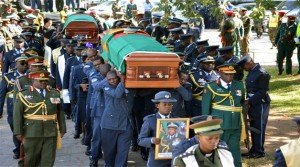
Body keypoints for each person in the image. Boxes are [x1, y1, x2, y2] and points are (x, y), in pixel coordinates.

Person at [13, 70, 66, 167]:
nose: (43, 83)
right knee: (30, 160)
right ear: (33, 80)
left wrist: (62, 129)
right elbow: (17, 114)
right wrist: (18, 131)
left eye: (45, 80)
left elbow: (60, 112)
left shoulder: (54, 93)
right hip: (32, 132)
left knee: (48, 160)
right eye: (40, 81)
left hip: (50, 132)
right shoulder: (24, 94)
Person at [202, 64, 246, 167]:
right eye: (227, 74)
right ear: (220, 73)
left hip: (235, 124)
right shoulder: (211, 87)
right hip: (219, 125)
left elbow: (242, 104)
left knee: (235, 151)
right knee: (216, 150)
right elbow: (205, 110)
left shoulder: (239, 85)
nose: (230, 77)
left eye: (232, 75)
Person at [237, 55, 271, 159]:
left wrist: (249, 101)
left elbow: (262, 91)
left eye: (244, 67)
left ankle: (259, 151)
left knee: (259, 127)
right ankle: (254, 149)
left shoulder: (262, 73)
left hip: (260, 103)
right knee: (253, 126)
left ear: (249, 63)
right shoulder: (252, 72)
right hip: (252, 103)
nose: (244, 70)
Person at [138, 91, 178, 167]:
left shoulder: (178, 120)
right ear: (157, 105)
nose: (167, 106)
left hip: (174, 158)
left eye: (170, 104)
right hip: (156, 160)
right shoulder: (150, 120)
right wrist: (152, 140)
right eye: (164, 104)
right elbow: (140, 140)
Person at [0, 56, 28, 159]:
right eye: (22, 63)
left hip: (29, 104)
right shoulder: (8, 76)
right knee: (15, 126)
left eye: (26, 63)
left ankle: (24, 148)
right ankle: (18, 148)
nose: (25, 65)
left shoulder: (31, 76)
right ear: (16, 64)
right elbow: (2, 94)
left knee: (27, 126)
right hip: (13, 105)